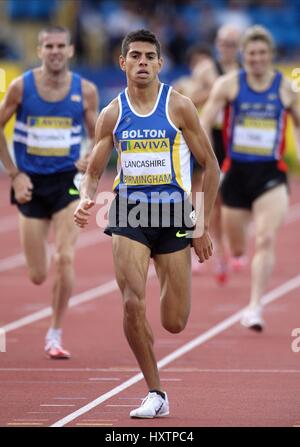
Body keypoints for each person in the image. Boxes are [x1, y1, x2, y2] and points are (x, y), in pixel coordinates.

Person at [74, 29, 219, 418]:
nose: (141, 62)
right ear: (122, 63)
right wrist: (87, 195)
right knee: (131, 303)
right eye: (134, 56)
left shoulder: (179, 107)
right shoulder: (112, 113)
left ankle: (164, 280)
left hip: (173, 214)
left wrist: (200, 225)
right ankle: (155, 392)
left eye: (148, 56)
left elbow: (211, 166)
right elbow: (93, 168)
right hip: (129, 212)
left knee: (174, 322)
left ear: (159, 63)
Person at [0, 26, 99, 358]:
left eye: (61, 46)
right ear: (40, 50)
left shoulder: (85, 91)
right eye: (49, 46)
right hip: (31, 183)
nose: (55, 51)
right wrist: (14, 175)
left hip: (67, 182)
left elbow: (101, 138)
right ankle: (40, 248)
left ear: (71, 51)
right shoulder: (20, 87)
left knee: (66, 256)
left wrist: (90, 157)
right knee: (38, 274)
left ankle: (54, 334)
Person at [201, 25, 300, 330]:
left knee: (266, 238)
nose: (256, 59)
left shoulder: (285, 88)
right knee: (239, 248)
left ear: (271, 55)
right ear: (244, 56)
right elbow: (203, 122)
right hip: (236, 174)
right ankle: (235, 254)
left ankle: (255, 307)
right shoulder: (228, 85)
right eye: (251, 54)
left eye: (262, 53)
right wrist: (208, 160)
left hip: (271, 173)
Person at [192, 24, 242, 283]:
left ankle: (226, 249)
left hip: (233, 140)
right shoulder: (206, 70)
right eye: (223, 43)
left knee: (227, 201)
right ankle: (202, 245)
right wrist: (214, 92)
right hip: (208, 137)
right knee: (202, 193)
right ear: (217, 44)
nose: (227, 48)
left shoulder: (244, 73)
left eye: (232, 44)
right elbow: (188, 97)